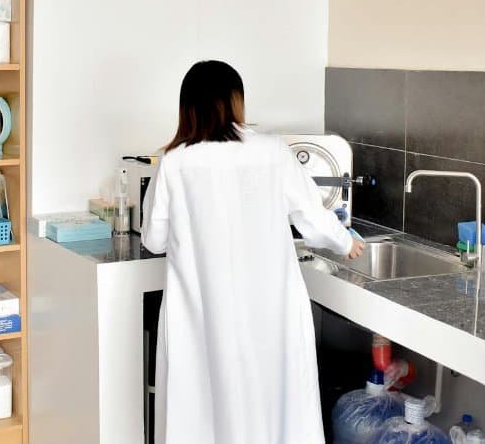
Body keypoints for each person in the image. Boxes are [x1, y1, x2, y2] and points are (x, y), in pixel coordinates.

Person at [142, 60, 366, 444]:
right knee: (275, 405)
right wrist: (345, 242)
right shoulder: (272, 151)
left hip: (203, 316)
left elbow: (153, 241)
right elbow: (311, 216)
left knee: (202, 411)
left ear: (187, 108)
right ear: (235, 102)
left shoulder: (175, 162)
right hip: (268, 313)